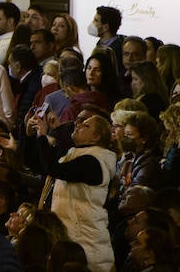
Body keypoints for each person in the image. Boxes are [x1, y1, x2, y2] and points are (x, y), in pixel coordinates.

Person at [31, 109, 117, 272]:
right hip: (72, 237)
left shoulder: (94, 161)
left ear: (96, 137)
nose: (78, 125)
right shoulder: (74, 155)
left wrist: (43, 135)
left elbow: (53, 168)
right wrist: (31, 134)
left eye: (85, 125)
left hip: (85, 243)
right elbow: (41, 166)